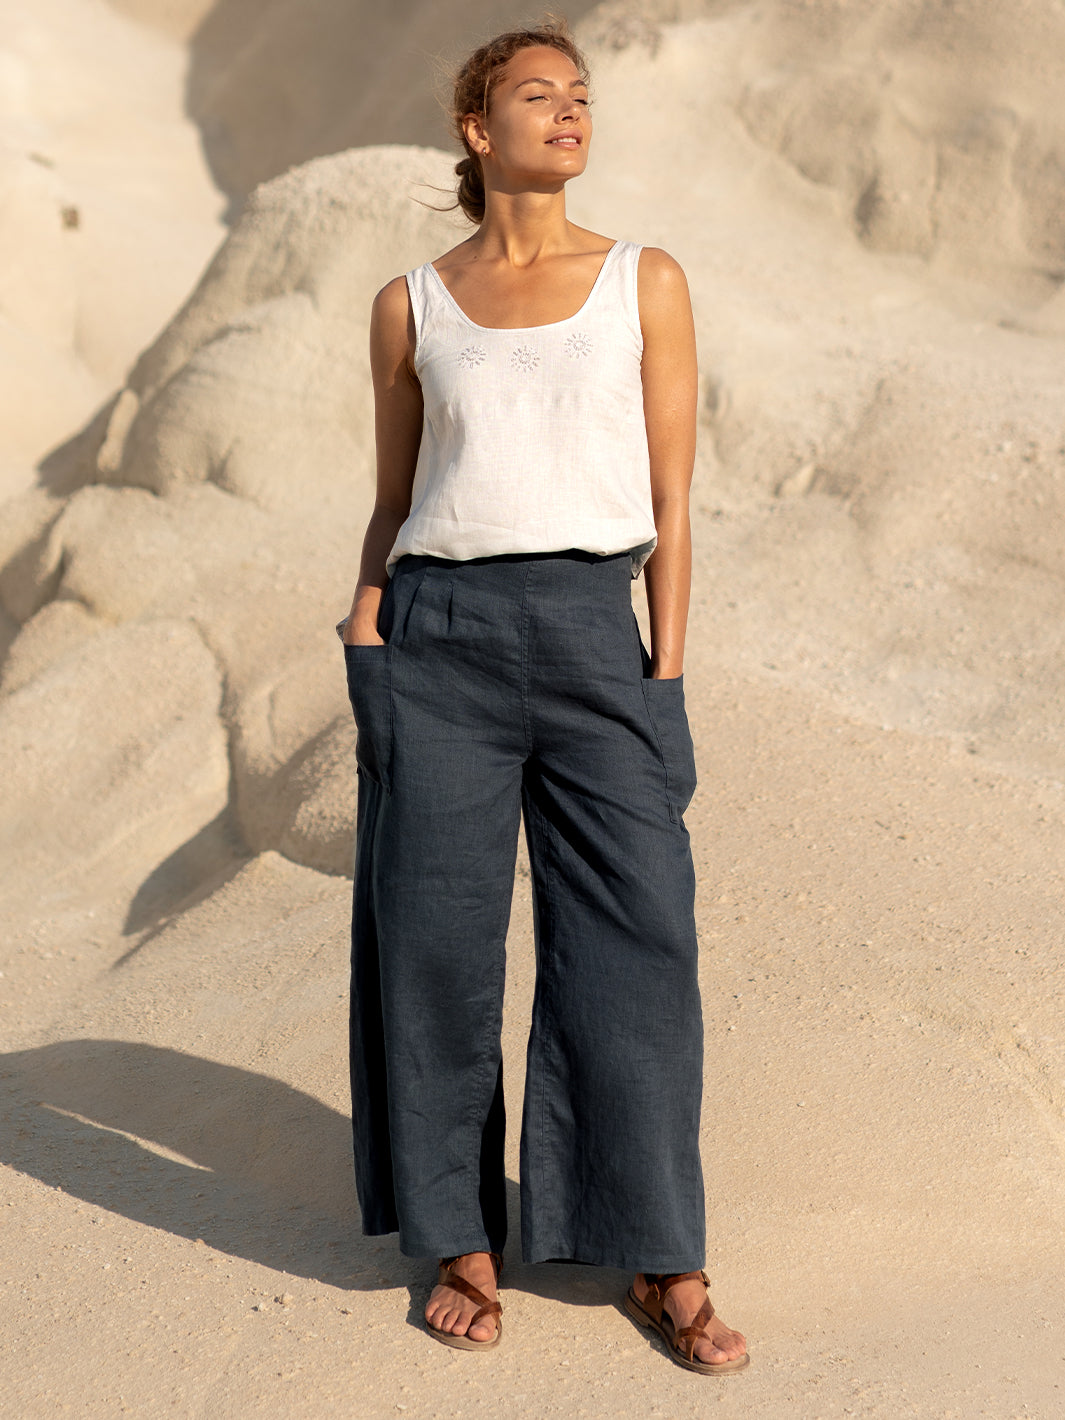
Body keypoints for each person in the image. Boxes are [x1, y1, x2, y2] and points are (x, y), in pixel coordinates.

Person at [337, 19, 749, 1375]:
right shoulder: (412, 302)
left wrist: (666, 669)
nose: (569, 114)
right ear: (476, 128)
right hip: (440, 636)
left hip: (593, 634)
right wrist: (368, 622)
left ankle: (657, 1248)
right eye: (537, 95)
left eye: (581, 97)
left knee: (639, 949)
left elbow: (677, 498)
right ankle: (458, 1237)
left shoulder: (645, 279)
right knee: (435, 953)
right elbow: (397, 498)